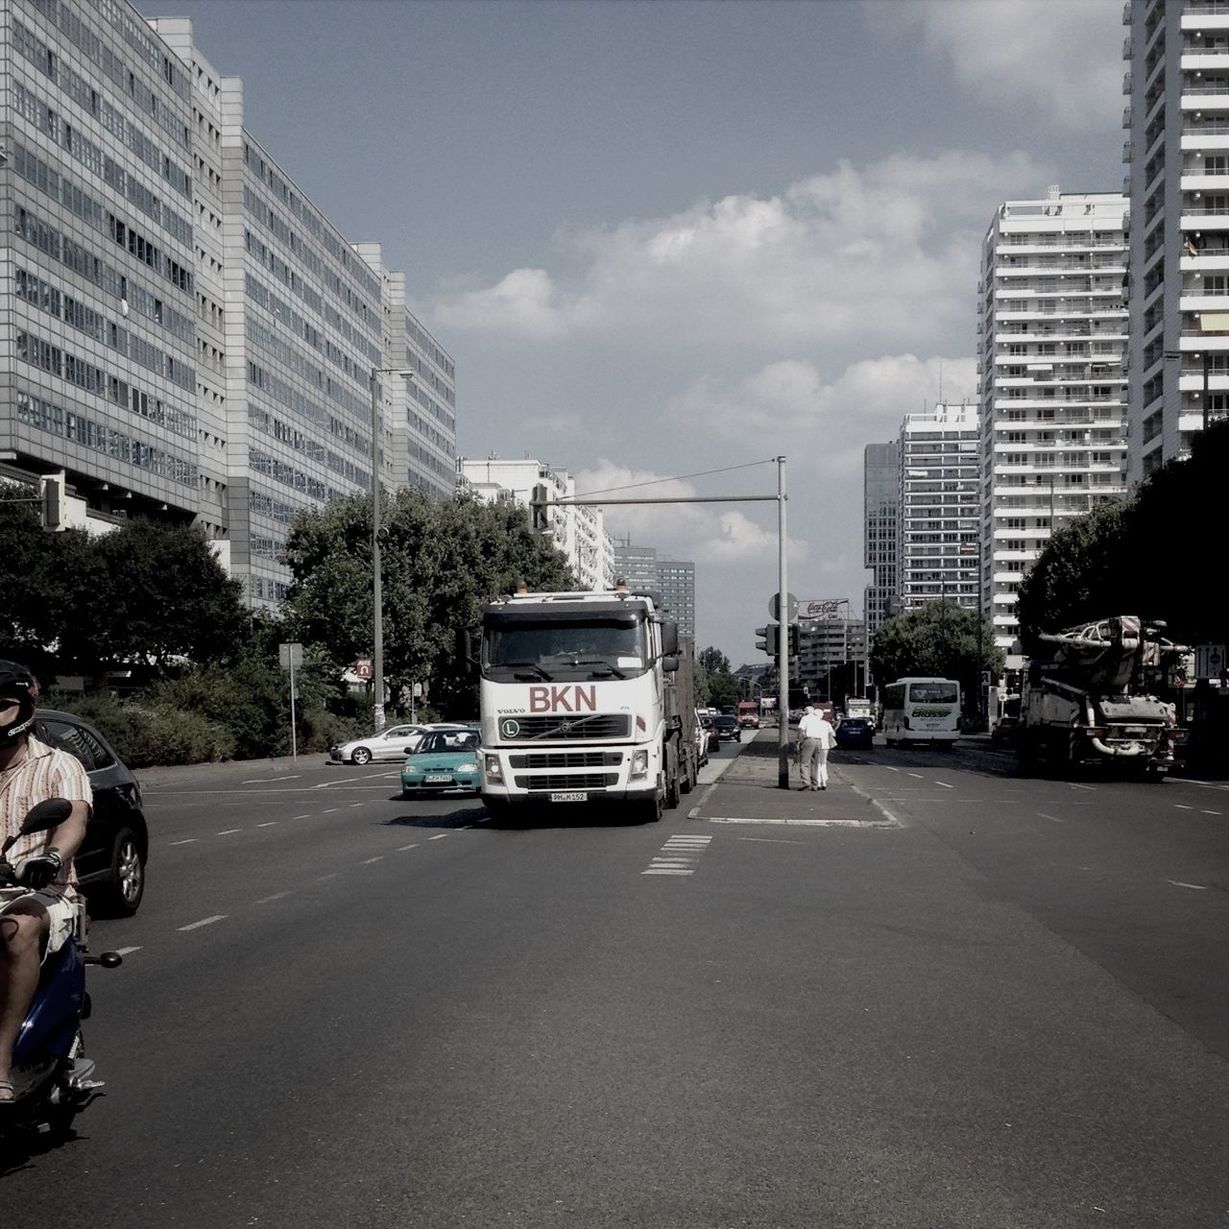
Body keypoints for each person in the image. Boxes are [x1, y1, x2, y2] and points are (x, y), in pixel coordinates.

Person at [0, 661, 91, 1106]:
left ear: (26, 708)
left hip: (38, 892)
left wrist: (52, 856)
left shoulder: (59, 765)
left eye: (1, 705)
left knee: (17, 930)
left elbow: (72, 819)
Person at [796, 703, 836, 791]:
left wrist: (798, 741)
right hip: (819, 742)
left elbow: (801, 730)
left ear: (806, 712)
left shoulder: (805, 718)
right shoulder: (818, 719)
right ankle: (815, 784)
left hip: (809, 740)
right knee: (815, 763)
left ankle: (806, 782)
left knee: (804, 763)